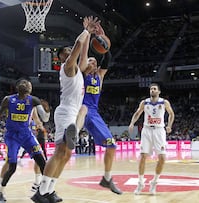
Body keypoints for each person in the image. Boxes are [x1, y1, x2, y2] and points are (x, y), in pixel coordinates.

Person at [31, 16, 99, 203]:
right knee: (59, 152)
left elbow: (83, 52)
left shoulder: (78, 70)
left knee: (67, 154)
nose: (72, 53)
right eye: (68, 52)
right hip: (66, 112)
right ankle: (41, 192)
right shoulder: (68, 67)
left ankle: (50, 190)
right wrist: (85, 30)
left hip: (72, 113)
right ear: (62, 56)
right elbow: (78, 45)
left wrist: (90, 35)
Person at [75, 20, 122, 195]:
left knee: (112, 145)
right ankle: (73, 132)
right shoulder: (81, 75)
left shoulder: (100, 77)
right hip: (80, 110)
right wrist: (88, 35)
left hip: (94, 114)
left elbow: (107, 58)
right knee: (83, 109)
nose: (92, 63)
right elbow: (82, 55)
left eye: (94, 61)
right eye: (90, 61)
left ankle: (107, 178)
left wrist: (101, 37)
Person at [0, 78, 50, 203]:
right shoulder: (8, 99)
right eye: (22, 82)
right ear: (16, 87)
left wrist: (47, 110)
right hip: (12, 137)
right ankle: (0, 192)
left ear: (30, 89)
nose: (25, 83)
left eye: (27, 83)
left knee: (42, 162)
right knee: (12, 166)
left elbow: (45, 118)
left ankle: (44, 191)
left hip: (27, 135)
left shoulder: (34, 100)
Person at [128, 83, 175, 195]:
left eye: (154, 89)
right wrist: (132, 123)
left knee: (162, 158)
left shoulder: (164, 102)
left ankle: (154, 182)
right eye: (151, 89)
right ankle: (140, 183)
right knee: (143, 156)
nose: (152, 90)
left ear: (159, 92)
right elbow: (137, 113)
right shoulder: (145, 102)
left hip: (159, 130)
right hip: (147, 130)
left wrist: (169, 125)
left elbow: (171, 114)